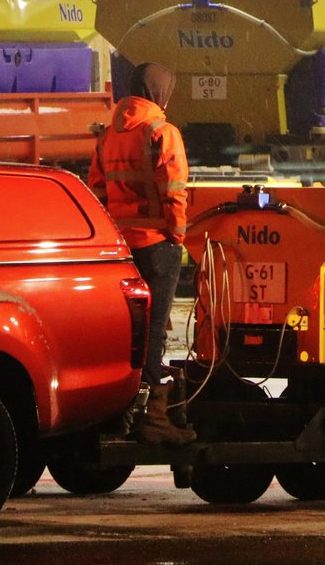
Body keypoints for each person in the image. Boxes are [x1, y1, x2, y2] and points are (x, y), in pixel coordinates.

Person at [88, 62, 196, 447]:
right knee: (154, 332)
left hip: (122, 246)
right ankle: (153, 416)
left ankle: (117, 405)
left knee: (126, 332)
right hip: (157, 244)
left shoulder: (109, 135)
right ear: (161, 92)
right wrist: (178, 236)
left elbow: (97, 191)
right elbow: (175, 189)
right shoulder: (161, 132)